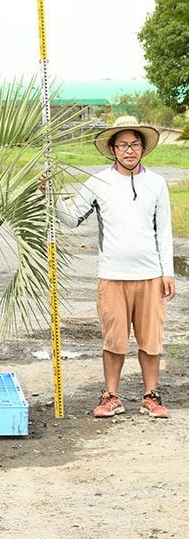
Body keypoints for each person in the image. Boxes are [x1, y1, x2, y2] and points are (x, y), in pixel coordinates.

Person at [43, 115, 175, 418]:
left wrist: (167, 272)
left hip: (151, 277)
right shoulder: (98, 182)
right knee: (114, 340)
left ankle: (150, 396)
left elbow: (164, 232)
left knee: (151, 340)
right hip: (112, 276)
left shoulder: (156, 184)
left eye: (135, 144)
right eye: (123, 145)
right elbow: (72, 218)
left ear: (143, 148)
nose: (130, 150)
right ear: (113, 149)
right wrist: (49, 195)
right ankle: (111, 396)